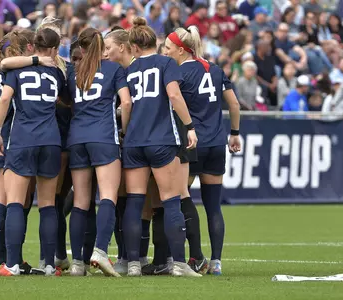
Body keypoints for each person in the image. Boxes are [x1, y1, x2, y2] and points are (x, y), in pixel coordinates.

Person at [122, 17, 200, 277]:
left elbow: (126, 105)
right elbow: (174, 95)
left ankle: (133, 264)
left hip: (134, 141)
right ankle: (178, 263)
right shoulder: (166, 62)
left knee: (135, 203)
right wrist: (189, 126)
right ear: (154, 42)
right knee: (171, 202)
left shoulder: (130, 70)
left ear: (133, 47)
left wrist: (126, 129)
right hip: (161, 139)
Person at [164, 26, 242, 275]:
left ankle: (193, 256)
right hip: (217, 144)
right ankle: (216, 261)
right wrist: (235, 133)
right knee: (213, 207)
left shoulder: (179, 72)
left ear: (181, 49)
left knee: (181, 199)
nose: (165, 52)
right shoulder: (215, 69)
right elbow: (234, 103)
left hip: (192, 144)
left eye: (167, 48)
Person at [0, 27, 65, 277]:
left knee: (14, 203)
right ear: (54, 49)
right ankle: (50, 265)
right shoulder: (57, 73)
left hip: (23, 139)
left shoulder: (17, 70)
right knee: (48, 205)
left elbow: (4, 99)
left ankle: (11, 265)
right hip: (51, 140)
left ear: (33, 46)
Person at [64, 28, 131, 277]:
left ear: (80, 48)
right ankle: (100, 251)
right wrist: (126, 130)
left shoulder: (73, 71)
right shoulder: (114, 69)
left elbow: (64, 101)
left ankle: (77, 263)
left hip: (76, 138)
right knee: (108, 197)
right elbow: (125, 102)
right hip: (104, 136)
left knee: (81, 201)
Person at [103, 28, 157, 275]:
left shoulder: (137, 69)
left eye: (108, 48)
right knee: (122, 201)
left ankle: (139, 256)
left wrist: (125, 127)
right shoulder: (116, 71)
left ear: (122, 47)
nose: (105, 53)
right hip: (125, 141)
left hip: (139, 141)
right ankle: (126, 256)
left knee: (141, 202)